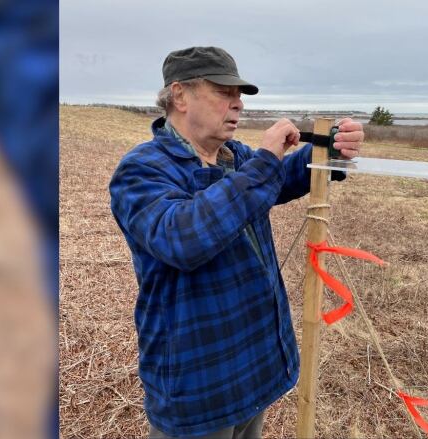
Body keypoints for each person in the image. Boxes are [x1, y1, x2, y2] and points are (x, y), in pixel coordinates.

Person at [109, 46, 364, 438]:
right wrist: (264, 161)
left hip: (251, 371)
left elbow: (282, 175)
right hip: (197, 385)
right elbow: (183, 238)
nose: (238, 104)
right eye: (224, 92)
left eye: (240, 95)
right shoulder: (142, 170)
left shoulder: (234, 158)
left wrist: (329, 149)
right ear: (179, 96)